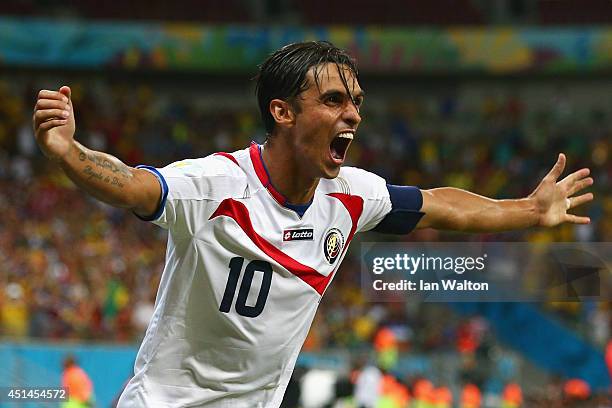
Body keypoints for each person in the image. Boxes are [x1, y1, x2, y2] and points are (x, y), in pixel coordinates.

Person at [33, 41, 594, 407]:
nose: (352, 113)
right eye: (332, 99)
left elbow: (437, 204)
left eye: (356, 101)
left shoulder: (352, 196)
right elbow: (132, 183)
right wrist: (68, 151)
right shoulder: (215, 184)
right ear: (282, 111)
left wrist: (528, 209)